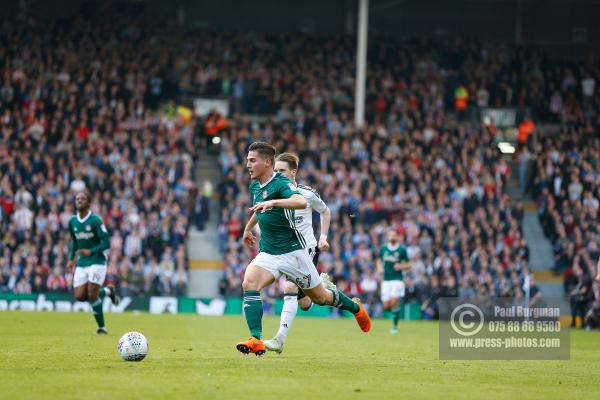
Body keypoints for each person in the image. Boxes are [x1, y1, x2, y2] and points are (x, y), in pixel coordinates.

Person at [236, 142, 370, 356]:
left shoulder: (281, 183)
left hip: (294, 253)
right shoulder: (255, 185)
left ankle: (355, 308)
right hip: (269, 252)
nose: (247, 164)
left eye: (252, 160)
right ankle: (256, 339)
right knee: (249, 282)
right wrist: (247, 228)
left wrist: (274, 203)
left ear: (267, 162)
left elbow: (298, 201)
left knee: (320, 299)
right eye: (247, 160)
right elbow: (259, 208)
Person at [257, 153, 332, 354]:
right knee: (307, 303)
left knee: (289, 287)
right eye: (276, 170)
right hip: (284, 250)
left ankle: (279, 339)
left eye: (281, 170)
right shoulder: (275, 193)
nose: (277, 174)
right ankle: (322, 286)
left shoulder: (306, 194)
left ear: (293, 172)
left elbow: (325, 211)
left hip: (305, 247)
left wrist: (323, 237)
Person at [66, 192, 120, 334]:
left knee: (92, 294)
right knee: (79, 296)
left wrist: (91, 251)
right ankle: (108, 291)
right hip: (82, 263)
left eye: (83, 199)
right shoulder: (72, 222)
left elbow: (107, 242)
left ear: (89, 203)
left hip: (97, 261)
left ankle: (102, 327)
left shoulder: (96, 221)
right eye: (77, 199)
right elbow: (74, 242)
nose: (79, 201)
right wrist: (71, 259)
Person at [376, 230, 411, 334]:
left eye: (394, 235)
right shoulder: (383, 248)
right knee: (386, 306)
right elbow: (379, 260)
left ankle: (395, 326)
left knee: (393, 302)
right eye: (390, 235)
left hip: (397, 280)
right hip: (386, 280)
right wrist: (379, 268)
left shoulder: (401, 249)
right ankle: (396, 314)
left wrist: (401, 266)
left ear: (397, 237)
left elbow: (409, 264)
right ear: (388, 236)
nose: (392, 237)